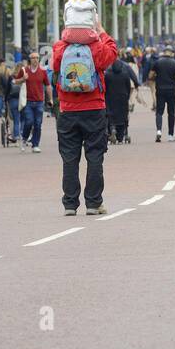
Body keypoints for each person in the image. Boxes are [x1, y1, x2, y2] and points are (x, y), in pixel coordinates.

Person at [51, 17, 118, 215]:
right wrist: (102, 31)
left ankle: (70, 204)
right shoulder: (96, 47)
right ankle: (93, 202)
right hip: (94, 107)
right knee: (95, 155)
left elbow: (55, 67)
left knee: (69, 158)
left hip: (68, 109)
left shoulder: (60, 47)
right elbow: (112, 53)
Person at [14, 53, 51, 153]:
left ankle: (35, 145)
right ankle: (25, 138)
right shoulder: (24, 70)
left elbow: (47, 86)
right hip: (28, 101)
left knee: (38, 124)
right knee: (29, 121)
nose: (35, 60)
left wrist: (50, 99)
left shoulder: (43, 71)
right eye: (33, 58)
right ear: (30, 60)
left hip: (39, 101)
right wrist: (23, 79)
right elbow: (15, 81)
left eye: (37, 58)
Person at [149, 46, 175, 142]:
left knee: (159, 112)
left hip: (160, 89)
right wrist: (174, 78)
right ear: (171, 53)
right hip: (171, 90)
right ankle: (170, 134)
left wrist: (157, 76)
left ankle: (159, 131)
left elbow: (150, 76)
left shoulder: (157, 62)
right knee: (171, 112)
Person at [103, 54, 135, 144]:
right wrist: (127, 96)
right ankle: (121, 137)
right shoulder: (125, 75)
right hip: (123, 98)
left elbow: (105, 87)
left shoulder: (108, 75)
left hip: (110, 98)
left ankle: (112, 129)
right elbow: (128, 87)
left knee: (111, 115)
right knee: (123, 116)